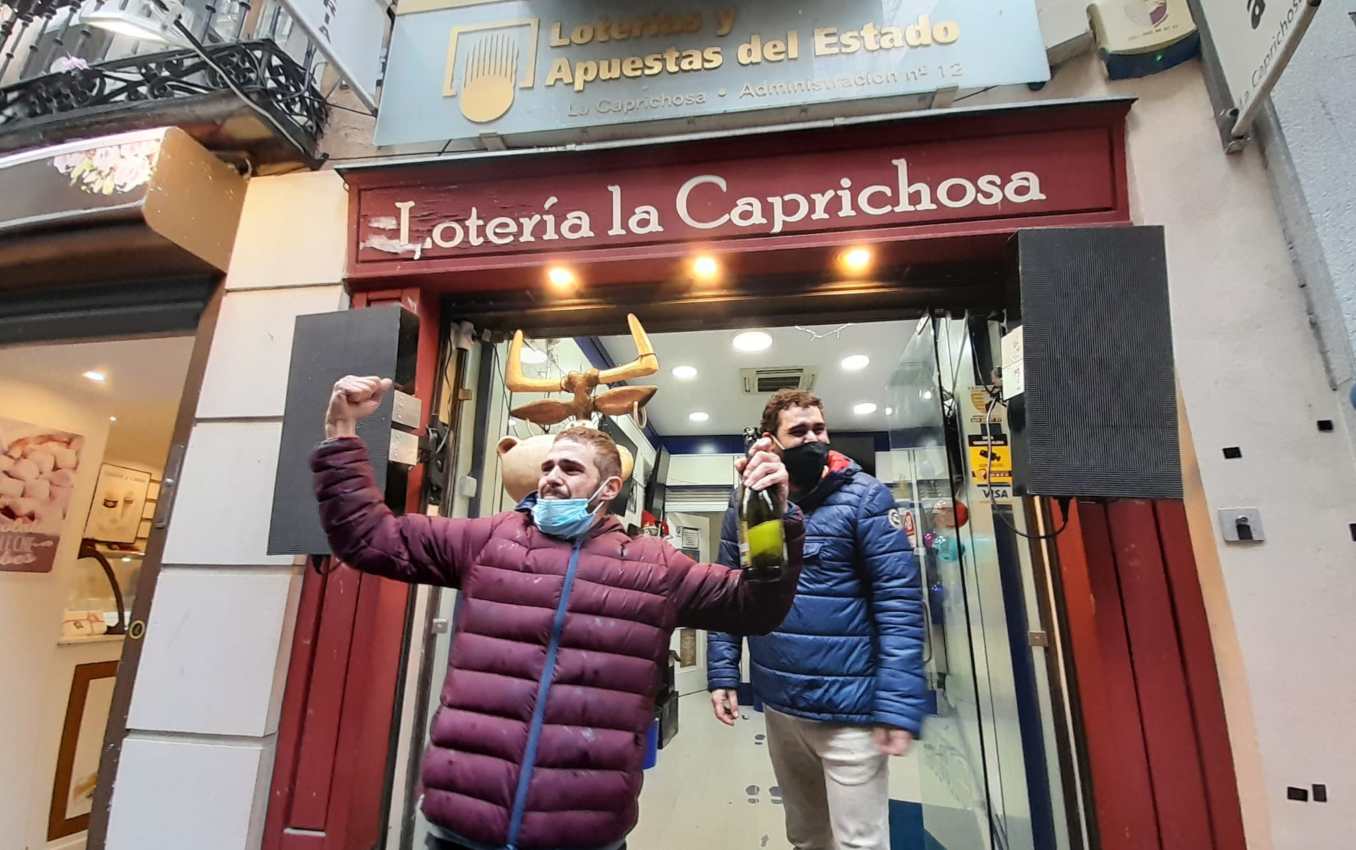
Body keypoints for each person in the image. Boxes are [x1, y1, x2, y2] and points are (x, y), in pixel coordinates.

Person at [312, 376, 806, 850]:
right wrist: (341, 433)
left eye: (570, 470)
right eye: (548, 467)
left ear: (608, 488)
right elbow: (368, 538)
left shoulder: (655, 567)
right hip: (462, 820)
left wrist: (772, 518)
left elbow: (755, 606)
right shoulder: (489, 541)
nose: (550, 479)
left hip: (583, 831)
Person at [707, 388, 926, 850]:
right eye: (798, 432)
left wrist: (899, 703)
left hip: (850, 710)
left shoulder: (866, 498)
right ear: (771, 441)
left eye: (819, 429)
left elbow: (899, 602)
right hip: (780, 705)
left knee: (859, 843)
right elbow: (729, 590)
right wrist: (723, 671)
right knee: (806, 837)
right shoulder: (747, 504)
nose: (813, 439)